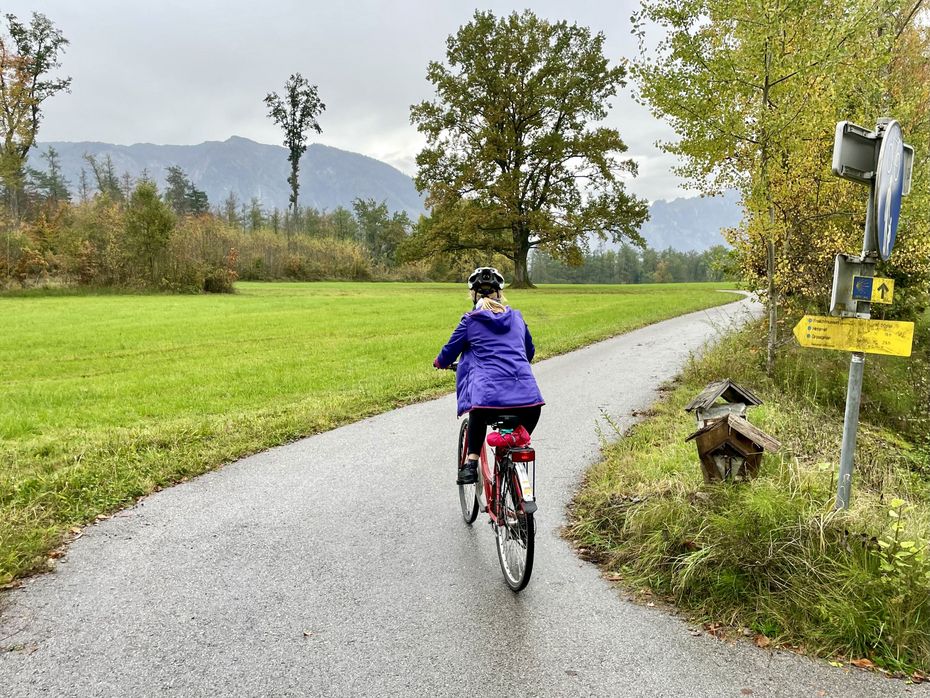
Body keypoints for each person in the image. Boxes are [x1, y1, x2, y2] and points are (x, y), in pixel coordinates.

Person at [434, 267, 544, 485]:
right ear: (500, 295)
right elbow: (529, 352)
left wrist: (440, 363)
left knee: (479, 410)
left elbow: (449, 352)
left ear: (473, 295)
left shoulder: (470, 320)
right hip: (531, 403)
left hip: (489, 400)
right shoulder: (517, 319)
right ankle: (513, 457)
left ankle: (471, 464)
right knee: (517, 441)